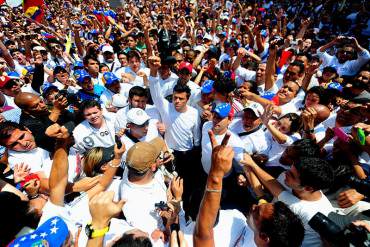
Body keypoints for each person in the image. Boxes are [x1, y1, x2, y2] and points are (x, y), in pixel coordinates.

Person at [194, 130, 305, 247]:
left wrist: (216, 173)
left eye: (257, 212)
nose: (253, 206)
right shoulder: (244, 219)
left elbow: (202, 234)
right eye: (260, 204)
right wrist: (248, 164)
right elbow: (261, 196)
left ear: (264, 237)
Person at [242, 155, 335, 247]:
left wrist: (252, 164)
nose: (286, 173)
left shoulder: (308, 212)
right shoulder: (295, 183)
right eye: (290, 169)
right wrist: (249, 166)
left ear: (308, 188)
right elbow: (271, 188)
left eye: (292, 175)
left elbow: (276, 189)